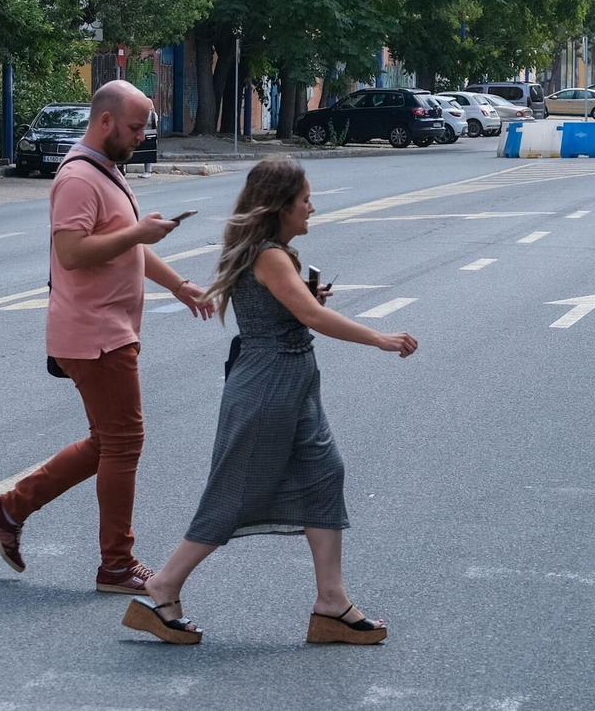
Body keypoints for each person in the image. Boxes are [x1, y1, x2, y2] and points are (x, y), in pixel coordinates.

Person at [120, 158, 418, 646]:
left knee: (326, 474)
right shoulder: (270, 255)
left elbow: (295, 310)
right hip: (268, 385)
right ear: (281, 206)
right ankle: (164, 586)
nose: (311, 208)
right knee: (236, 492)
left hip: (293, 382)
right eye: (304, 200)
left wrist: (308, 298)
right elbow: (309, 317)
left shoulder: (271, 253)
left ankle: (331, 602)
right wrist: (379, 338)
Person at [0, 80, 214, 594]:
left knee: (107, 442)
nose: (140, 136)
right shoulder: (79, 179)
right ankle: (116, 564)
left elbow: (124, 245)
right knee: (124, 444)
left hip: (108, 329)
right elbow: (73, 252)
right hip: (95, 333)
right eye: (134, 127)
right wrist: (137, 232)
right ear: (105, 121)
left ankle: (10, 508)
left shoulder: (108, 172)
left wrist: (179, 285)